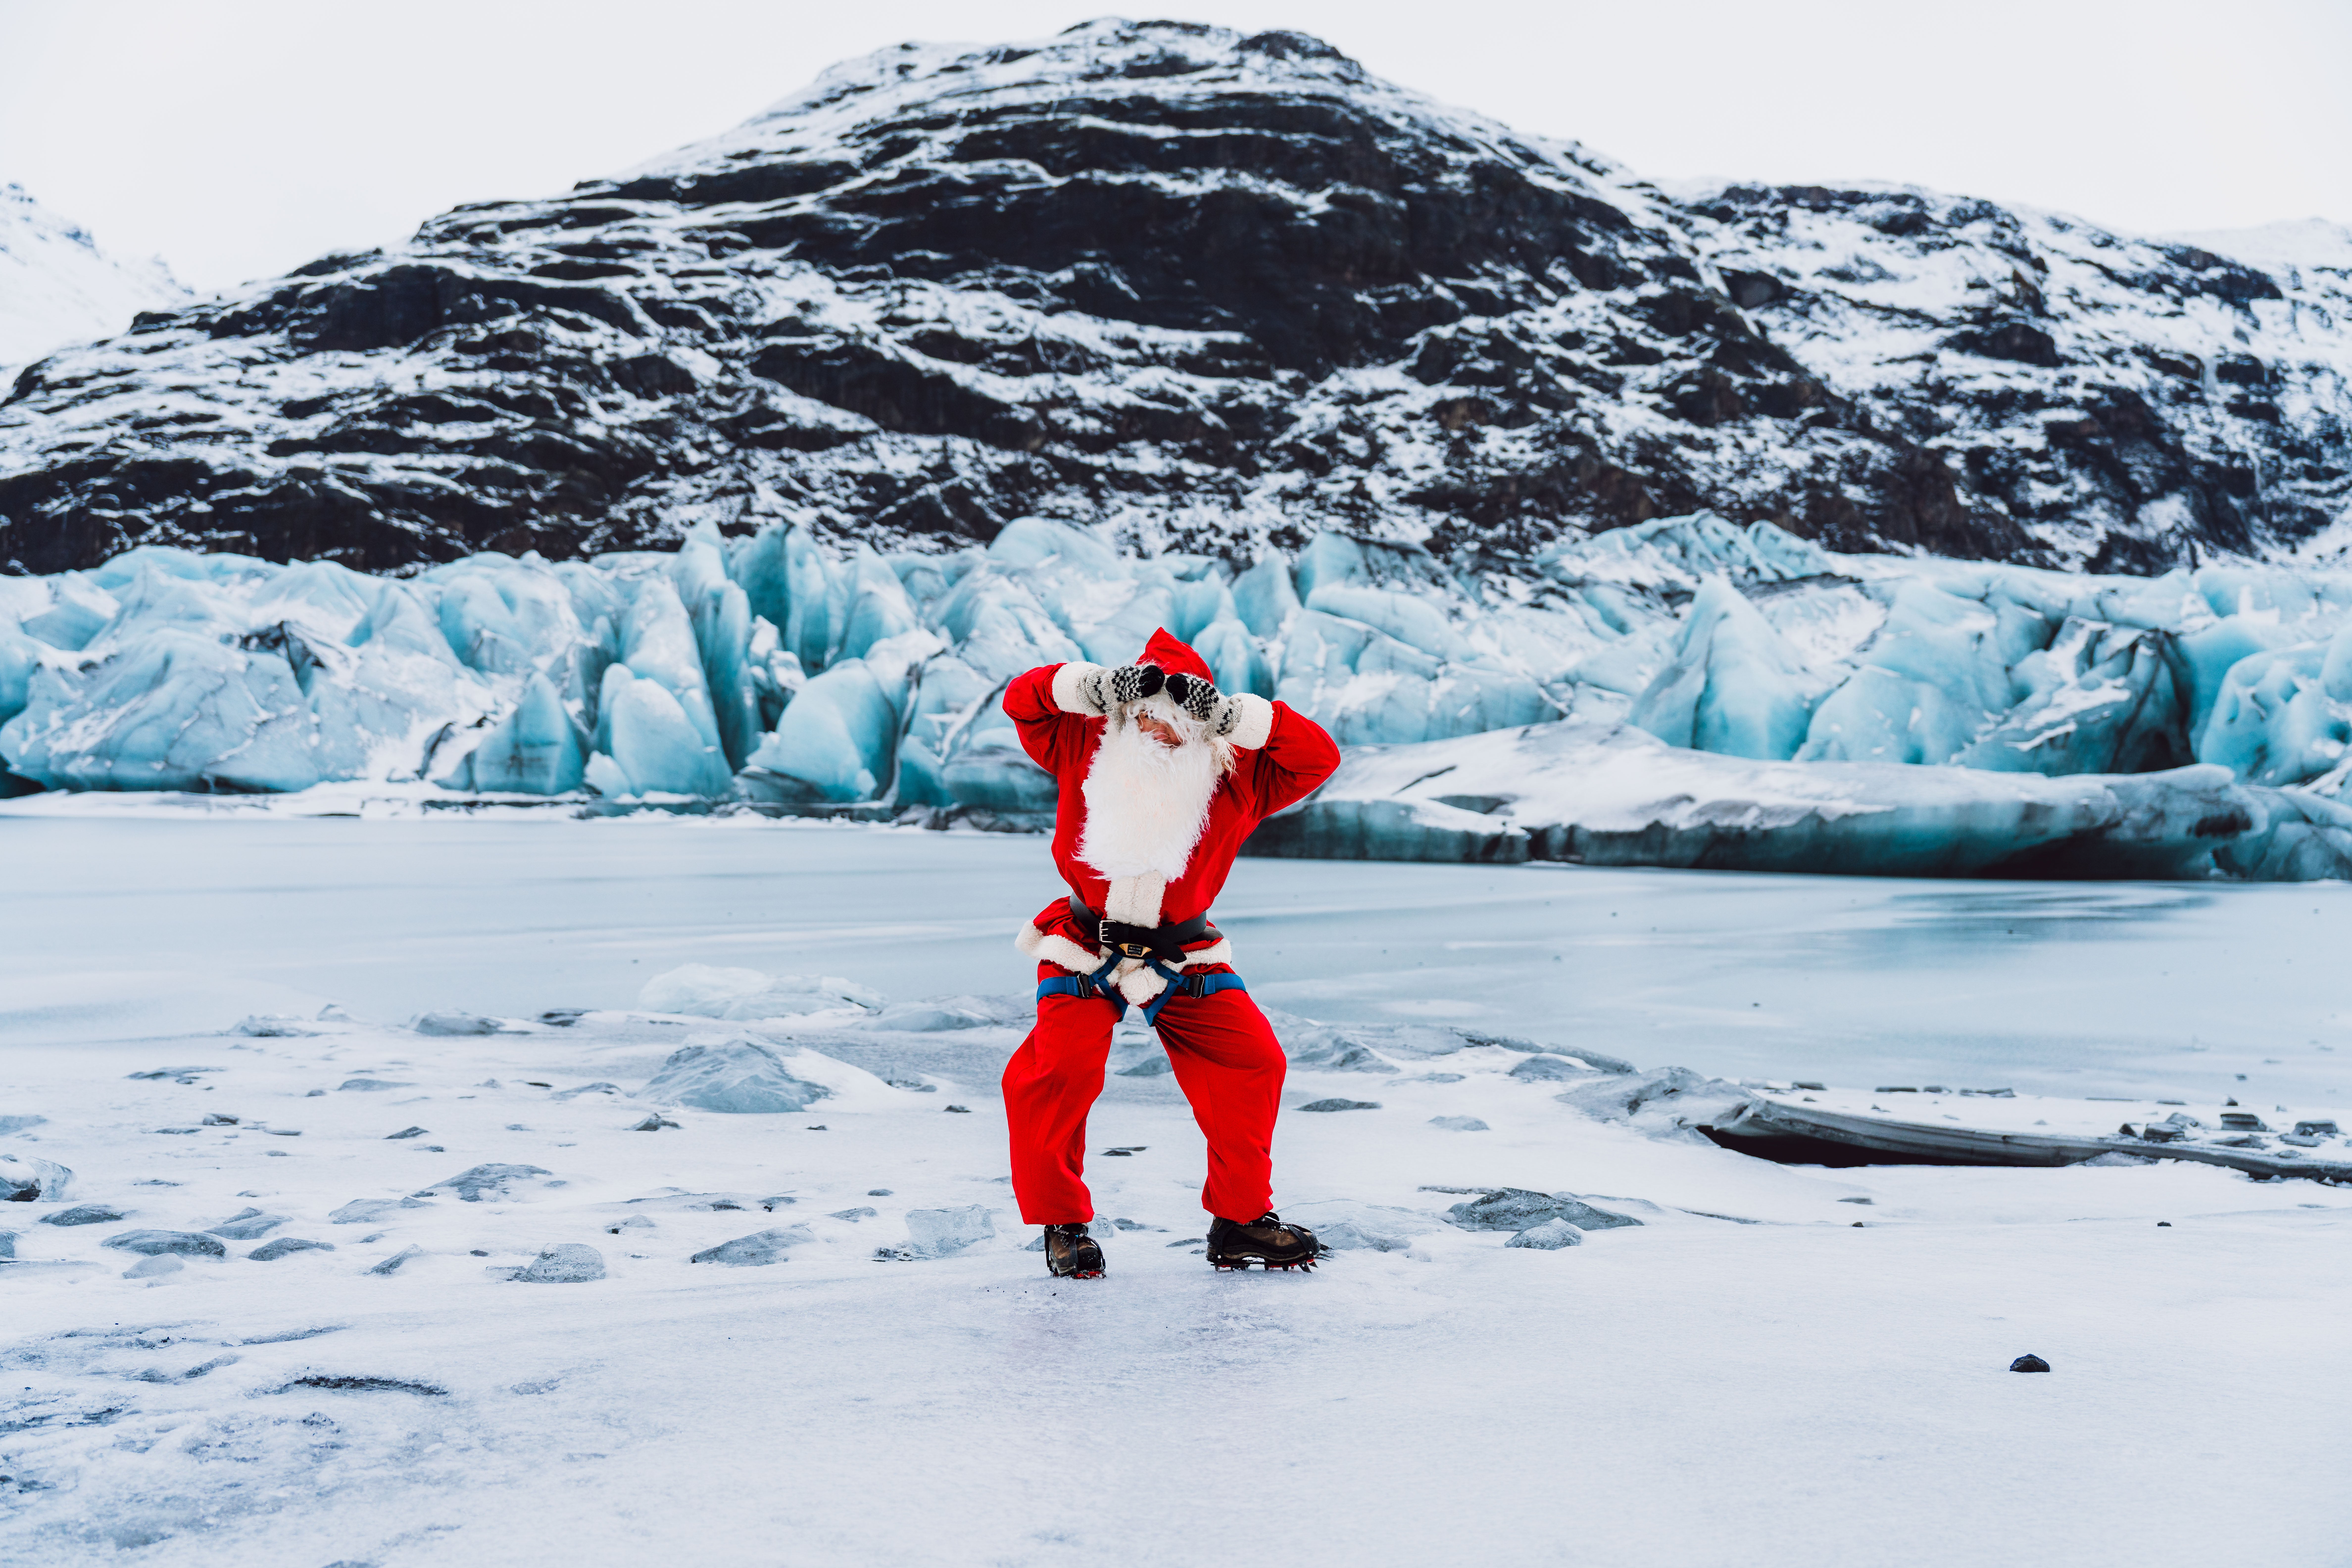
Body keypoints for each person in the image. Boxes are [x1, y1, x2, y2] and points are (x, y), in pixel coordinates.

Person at [1000, 627, 1342, 1278]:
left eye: (1179, 720)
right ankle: (1062, 1225)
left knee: (1253, 1062)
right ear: (1129, 713)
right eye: (1148, 716)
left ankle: (1239, 1220)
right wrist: (1092, 688)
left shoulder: (1240, 779)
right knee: (1057, 1076)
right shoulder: (1082, 745)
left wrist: (1234, 716)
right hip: (1081, 945)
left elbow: (1318, 757)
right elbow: (1025, 701)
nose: (1160, 731)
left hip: (1183, 957)